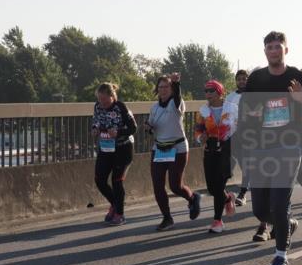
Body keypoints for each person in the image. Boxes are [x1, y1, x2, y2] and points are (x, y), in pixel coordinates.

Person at [237, 31, 302, 265]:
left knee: (279, 202)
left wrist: (301, 99)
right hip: (261, 147)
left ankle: (281, 257)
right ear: (264, 51)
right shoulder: (256, 78)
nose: (274, 51)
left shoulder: (297, 76)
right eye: (269, 47)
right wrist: (251, 115)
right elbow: (245, 107)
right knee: (260, 210)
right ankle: (288, 223)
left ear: (286, 50)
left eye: (278, 46)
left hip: (290, 146)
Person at [146, 73, 201, 231]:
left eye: (167, 87)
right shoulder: (154, 108)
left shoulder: (177, 104)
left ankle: (192, 198)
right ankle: (167, 217)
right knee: (157, 185)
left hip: (177, 149)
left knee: (175, 186)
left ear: (171, 89)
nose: (163, 90)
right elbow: (152, 126)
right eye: (160, 87)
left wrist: (177, 83)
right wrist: (148, 127)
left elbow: (177, 96)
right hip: (160, 148)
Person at [194, 80, 238, 234]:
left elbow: (242, 128)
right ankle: (227, 198)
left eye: (211, 91)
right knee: (212, 188)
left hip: (228, 151)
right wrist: (201, 138)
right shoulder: (203, 111)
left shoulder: (232, 109)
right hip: (210, 150)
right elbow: (197, 131)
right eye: (206, 91)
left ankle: (217, 221)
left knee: (219, 185)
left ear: (220, 92)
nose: (207, 94)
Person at [92, 83, 137, 226]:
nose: (102, 103)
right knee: (99, 180)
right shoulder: (97, 106)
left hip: (123, 148)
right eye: (100, 100)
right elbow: (96, 121)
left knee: (117, 181)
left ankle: (120, 214)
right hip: (106, 148)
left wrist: (118, 133)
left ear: (112, 97)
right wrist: (94, 129)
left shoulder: (121, 107)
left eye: (105, 100)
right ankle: (115, 204)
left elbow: (133, 128)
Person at [225, 70, 251, 206]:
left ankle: (243, 193)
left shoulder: (254, 95)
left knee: (246, 165)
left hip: (249, 135)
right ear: (236, 81)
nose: (242, 81)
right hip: (233, 135)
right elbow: (225, 115)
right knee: (237, 163)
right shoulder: (230, 97)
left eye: (244, 79)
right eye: (239, 79)